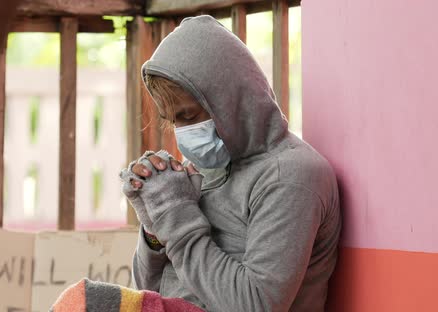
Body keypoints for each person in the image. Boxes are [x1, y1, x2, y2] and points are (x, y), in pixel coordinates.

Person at [119, 15, 341, 312]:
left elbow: (255, 305)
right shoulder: (205, 166)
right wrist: (155, 227)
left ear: (229, 101)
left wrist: (176, 216)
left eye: (189, 116)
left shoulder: (291, 176)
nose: (184, 134)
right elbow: (150, 292)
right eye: (173, 122)